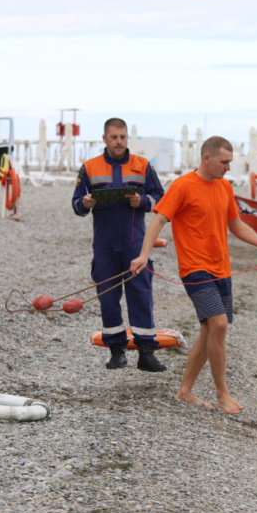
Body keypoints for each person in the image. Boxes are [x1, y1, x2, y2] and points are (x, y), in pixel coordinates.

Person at [129, 136, 257, 414]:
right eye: (224, 162)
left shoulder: (225, 187)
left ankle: (184, 391)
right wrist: (144, 255)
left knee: (210, 329)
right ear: (207, 158)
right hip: (195, 269)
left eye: (230, 162)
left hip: (222, 269)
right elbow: (158, 220)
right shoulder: (183, 186)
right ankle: (222, 393)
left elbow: (236, 225)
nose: (229, 167)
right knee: (220, 325)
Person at [73, 118, 166, 371]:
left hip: (135, 243)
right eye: (114, 137)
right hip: (104, 245)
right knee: (108, 297)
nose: (119, 142)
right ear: (104, 139)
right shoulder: (89, 167)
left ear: (127, 138)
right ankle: (116, 352)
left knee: (141, 295)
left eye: (123, 137)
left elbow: (160, 198)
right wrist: (85, 203)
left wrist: (142, 201)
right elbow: (76, 205)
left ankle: (146, 353)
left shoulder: (143, 165)